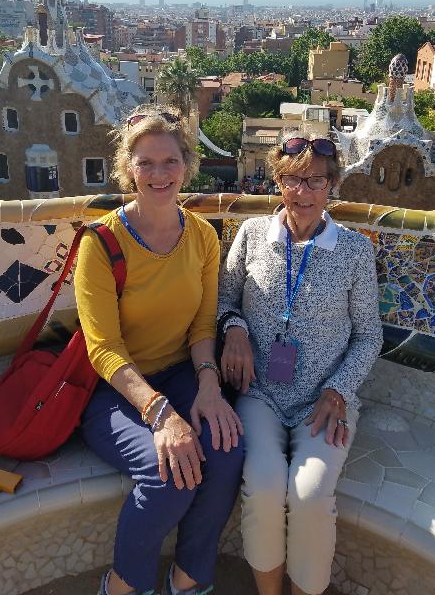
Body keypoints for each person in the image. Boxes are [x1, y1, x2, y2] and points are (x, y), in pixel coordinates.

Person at [75, 106, 244, 595]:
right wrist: (161, 415)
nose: (158, 174)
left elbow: (200, 325)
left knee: (227, 452)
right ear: (128, 168)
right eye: (145, 163)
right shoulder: (102, 242)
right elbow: (102, 348)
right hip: (117, 390)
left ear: (187, 165)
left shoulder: (203, 237)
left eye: (169, 161)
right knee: (167, 475)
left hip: (183, 374)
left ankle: (189, 577)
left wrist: (209, 388)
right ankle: (124, 584)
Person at [218, 134, 383, 595]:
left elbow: (369, 335)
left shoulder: (354, 251)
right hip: (260, 395)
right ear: (277, 182)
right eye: (293, 180)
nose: (303, 192)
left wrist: (339, 391)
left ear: (332, 186)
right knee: (266, 485)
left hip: (324, 400)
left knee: (309, 495)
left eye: (315, 181)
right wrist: (235, 329)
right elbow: (224, 301)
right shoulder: (252, 235)